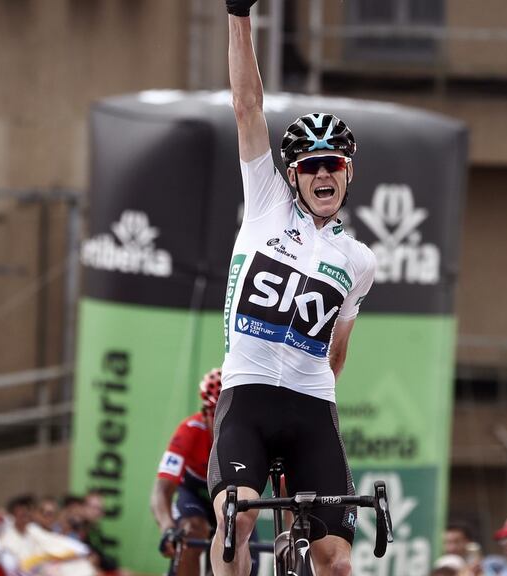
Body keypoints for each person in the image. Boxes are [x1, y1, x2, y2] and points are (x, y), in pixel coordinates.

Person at [212, 2, 377, 576]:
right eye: (310, 166)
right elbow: (246, 105)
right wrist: (239, 13)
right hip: (249, 396)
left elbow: (337, 353)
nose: (323, 174)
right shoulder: (265, 203)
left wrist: (312, 403)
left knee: (336, 564)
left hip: (311, 406)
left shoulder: (358, 260)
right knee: (235, 520)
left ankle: (297, 551)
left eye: (333, 163)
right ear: (291, 175)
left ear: (349, 171)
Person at [153, 369, 259, 576]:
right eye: (219, 415)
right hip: (196, 497)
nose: (225, 424)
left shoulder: (252, 435)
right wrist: (167, 528)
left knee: (244, 551)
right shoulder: (190, 430)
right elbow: (161, 491)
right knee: (192, 531)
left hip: (234, 501)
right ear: (206, 413)